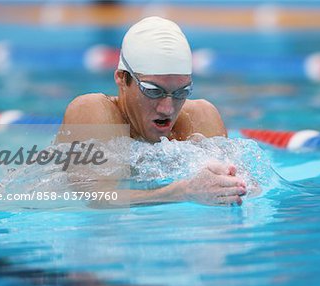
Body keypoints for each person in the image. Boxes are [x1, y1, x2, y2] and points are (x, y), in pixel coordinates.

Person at [57, 16, 247, 207]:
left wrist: (229, 184)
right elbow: (94, 198)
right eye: (153, 91)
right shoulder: (94, 111)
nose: (168, 108)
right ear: (122, 78)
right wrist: (181, 192)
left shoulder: (199, 117)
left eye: (181, 92)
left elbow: (248, 189)